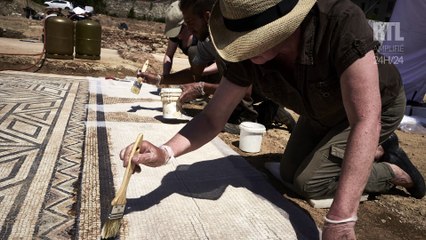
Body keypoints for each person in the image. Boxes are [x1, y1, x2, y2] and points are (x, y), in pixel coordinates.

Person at [121, 0, 425, 239]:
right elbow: (214, 117)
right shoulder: (241, 47)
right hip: (319, 111)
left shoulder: (339, 22)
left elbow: (365, 119)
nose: (247, 52)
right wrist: (165, 152)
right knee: (290, 173)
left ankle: (393, 169)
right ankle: (359, 150)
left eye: (257, 40)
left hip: (375, 108)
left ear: (286, 23)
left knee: (310, 183)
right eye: (242, 42)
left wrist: (341, 218)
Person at [141, 0, 296, 132]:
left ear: (207, 17)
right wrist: (159, 79)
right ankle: (269, 111)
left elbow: (244, 85)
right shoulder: (204, 42)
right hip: (254, 87)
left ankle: (246, 118)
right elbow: (194, 74)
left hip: (265, 85)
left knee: (224, 61)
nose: (189, 30)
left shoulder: (233, 40)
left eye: (190, 23)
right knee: (196, 54)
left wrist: (202, 87)